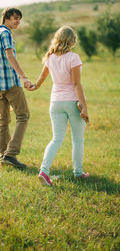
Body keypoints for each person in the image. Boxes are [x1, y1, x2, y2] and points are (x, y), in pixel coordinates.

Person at [28, 26, 90, 186]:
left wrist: (35, 86)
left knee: (56, 139)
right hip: (72, 102)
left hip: (55, 103)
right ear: (72, 41)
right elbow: (77, 84)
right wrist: (84, 107)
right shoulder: (73, 58)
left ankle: (44, 171)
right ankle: (78, 173)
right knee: (78, 139)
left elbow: (42, 76)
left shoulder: (50, 57)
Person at [0, 7, 32, 168]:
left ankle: (3, 155)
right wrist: (23, 76)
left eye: (19, 18)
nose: (17, 21)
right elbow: (9, 55)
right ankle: (10, 154)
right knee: (23, 116)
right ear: (6, 18)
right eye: (15, 18)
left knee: (3, 120)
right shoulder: (6, 33)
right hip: (10, 84)